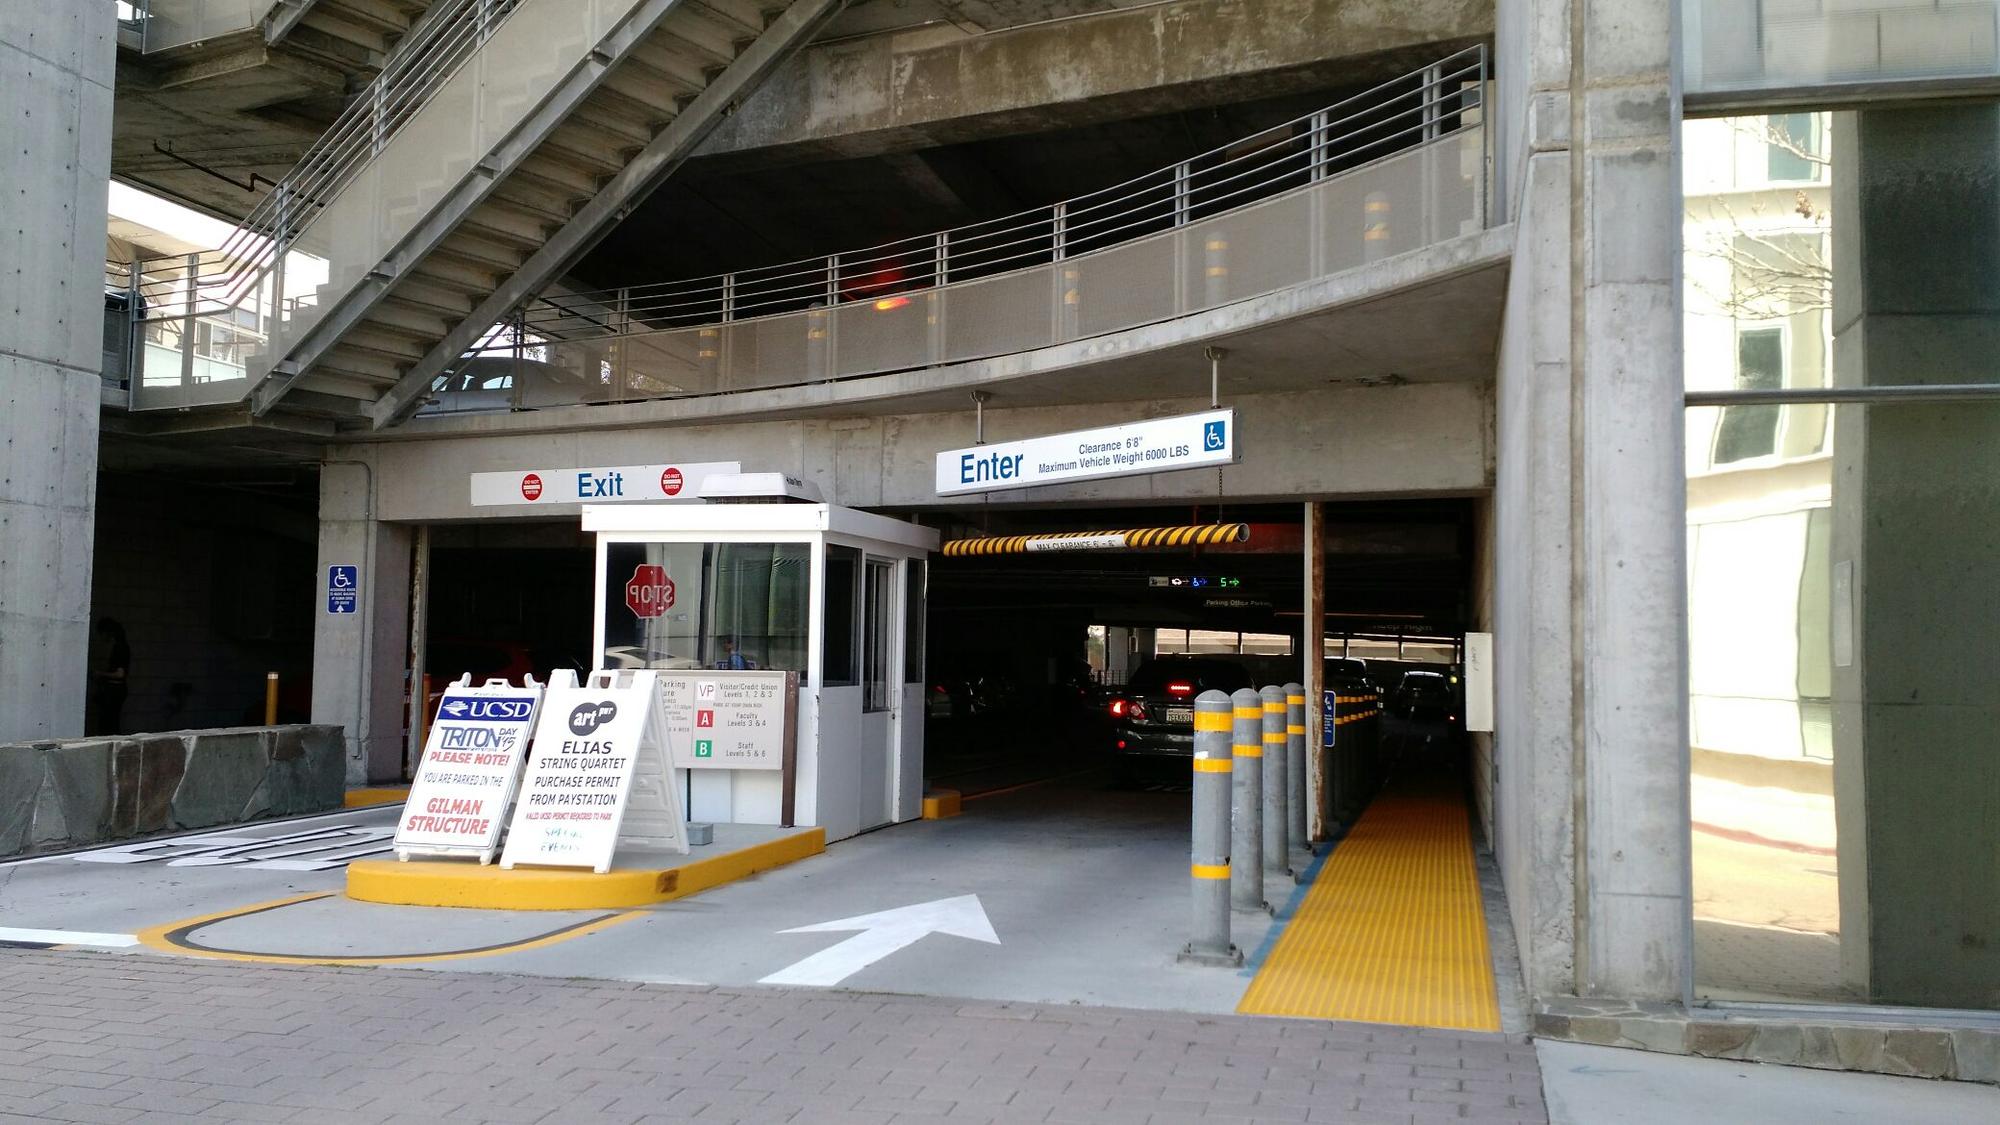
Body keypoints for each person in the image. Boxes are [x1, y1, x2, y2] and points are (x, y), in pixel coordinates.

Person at [87, 617, 130, 735]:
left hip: (115, 690)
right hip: (115, 690)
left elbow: (120, 674)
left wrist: (99, 673)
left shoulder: (120, 648)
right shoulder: (120, 646)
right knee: (110, 723)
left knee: (109, 724)